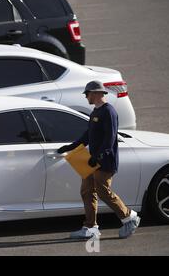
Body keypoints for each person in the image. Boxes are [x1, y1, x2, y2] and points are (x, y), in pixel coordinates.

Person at [58, 80, 140, 239]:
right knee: (87, 191)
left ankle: (129, 217)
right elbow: (88, 135)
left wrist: (98, 156)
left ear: (95, 93)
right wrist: (71, 146)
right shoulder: (95, 111)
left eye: (87, 94)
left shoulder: (108, 112)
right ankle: (90, 227)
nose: (86, 97)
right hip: (93, 160)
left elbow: (109, 139)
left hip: (105, 161)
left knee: (103, 191)